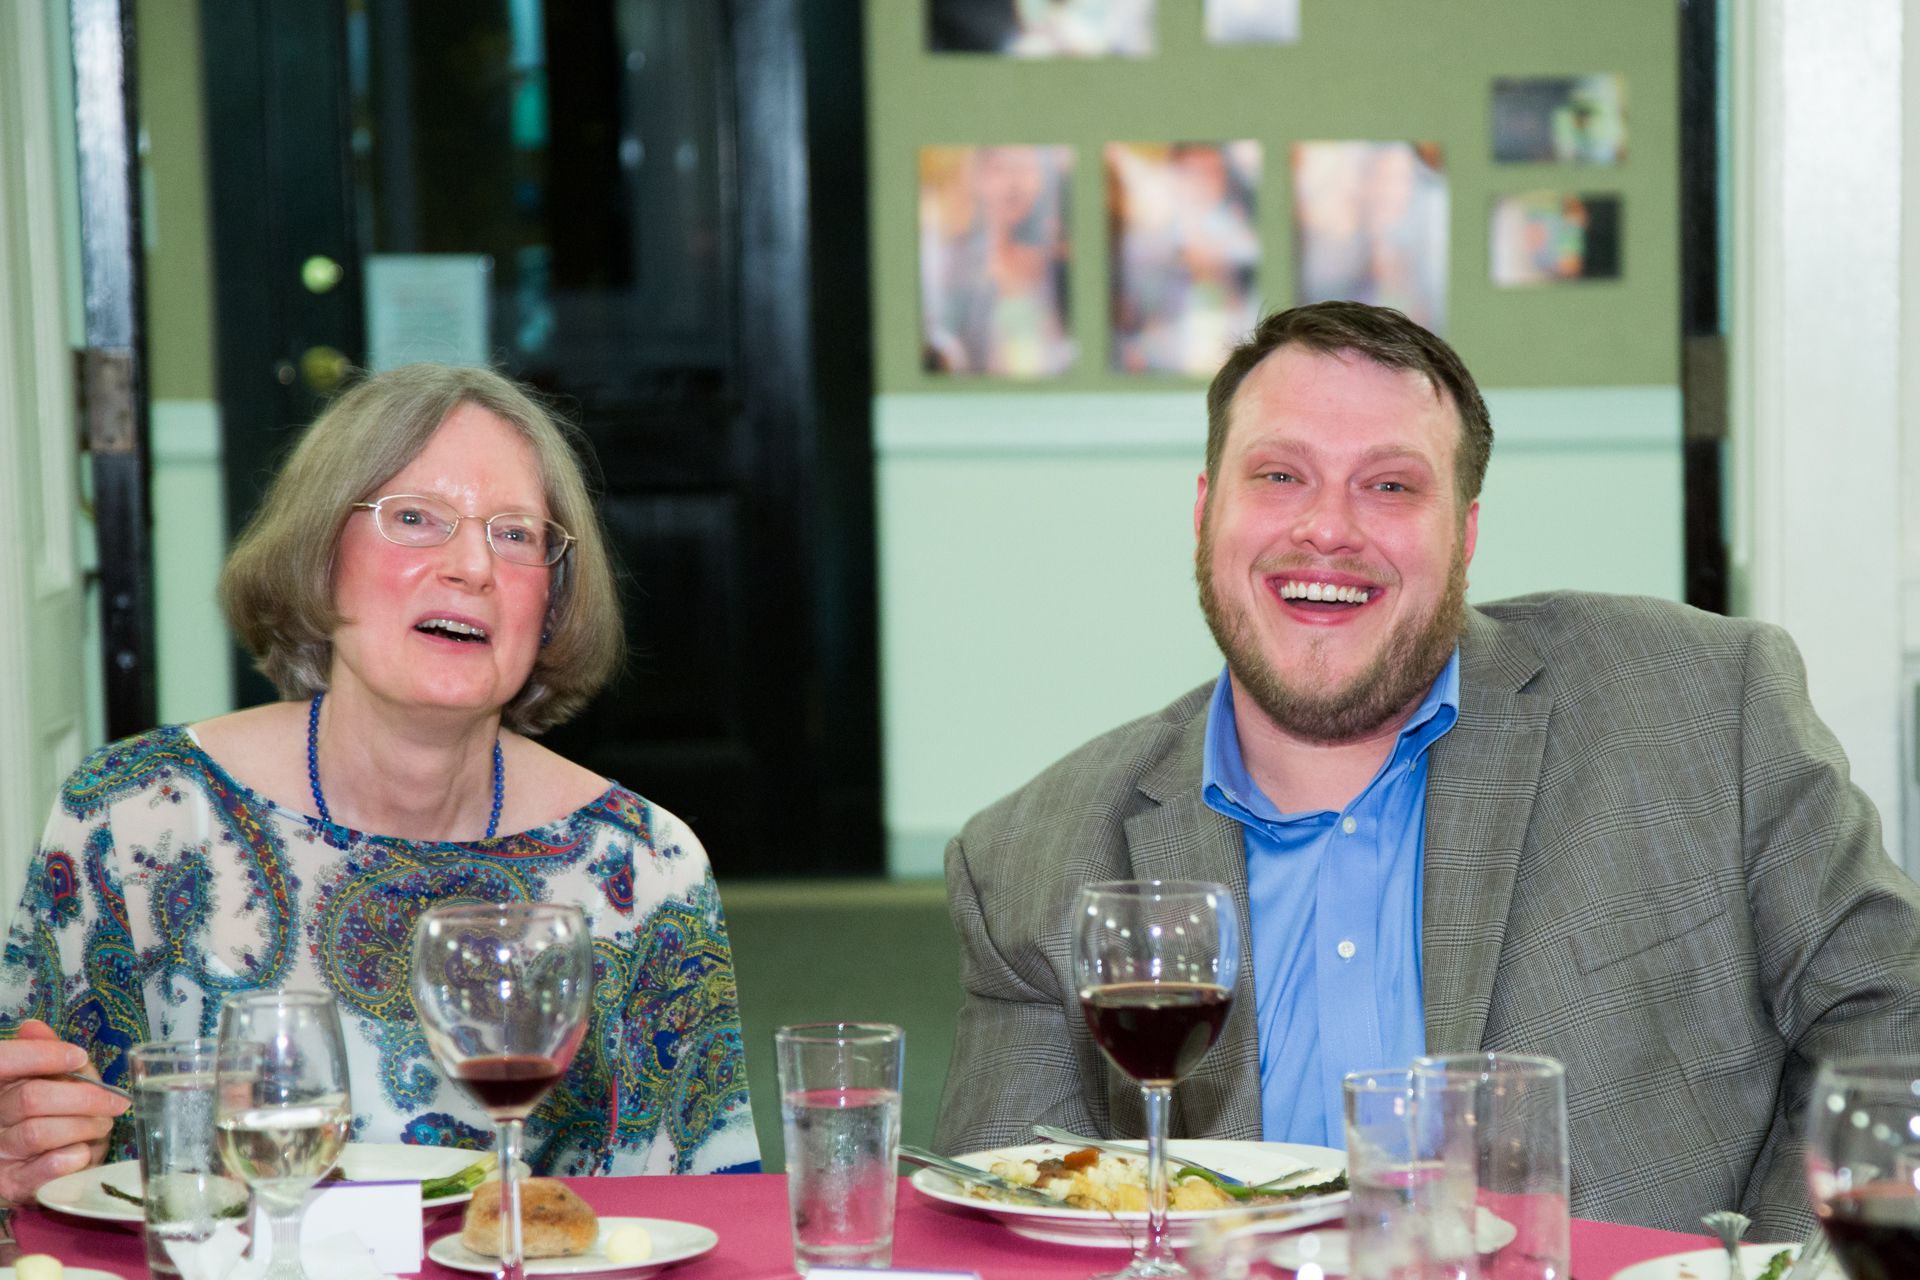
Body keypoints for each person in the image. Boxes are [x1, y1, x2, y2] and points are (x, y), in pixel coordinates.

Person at [934, 300, 1920, 1238]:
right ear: (1204, 512)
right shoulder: (1032, 861)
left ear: (1466, 534)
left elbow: (1893, 1018)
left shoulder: (1700, 708)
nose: (1328, 527)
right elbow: (1005, 1212)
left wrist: (1774, 1266)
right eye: (1279, 475)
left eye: (1391, 485)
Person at [0, 364, 759, 1203]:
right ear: (320, 557)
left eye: (515, 534)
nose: (472, 565)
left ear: (550, 604)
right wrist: (22, 1156)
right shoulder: (134, 819)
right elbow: (48, 1170)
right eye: (415, 518)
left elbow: (709, 1210)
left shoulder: (644, 865)